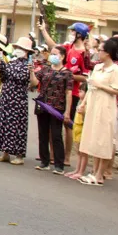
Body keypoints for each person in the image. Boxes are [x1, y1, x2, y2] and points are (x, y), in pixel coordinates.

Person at [70, 37, 118, 185]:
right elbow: (90, 87)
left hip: (106, 107)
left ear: (108, 53)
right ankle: (93, 172)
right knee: (92, 138)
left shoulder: (116, 70)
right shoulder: (98, 68)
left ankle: (100, 174)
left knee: (103, 140)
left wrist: (100, 85)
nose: (98, 53)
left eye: (101, 50)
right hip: (93, 105)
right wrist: (84, 103)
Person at [40, 20, 93, 170]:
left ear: (79, 34)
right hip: (56, 90)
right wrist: (43, 30)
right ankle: (51, 155)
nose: (70, 34)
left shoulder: (84, 53)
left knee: (66, 124)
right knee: (51, 123)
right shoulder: (67, 48)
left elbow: (85, 76)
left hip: (73, 92)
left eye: (72, 31)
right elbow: (53, 46)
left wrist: (66, 74)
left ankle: (67, 157)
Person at [0, 37, 34, 165]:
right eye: (17, 48)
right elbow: (4, 78)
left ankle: (19, 155)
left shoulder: (28, 65)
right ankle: (5, 153)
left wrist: (6, 68)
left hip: (18, 99)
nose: (17, 50)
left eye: (20, 48)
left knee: (17, 126)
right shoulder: (12, 62)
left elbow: (20, 77)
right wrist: (1, 68)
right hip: (7, 96)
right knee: (4, 123)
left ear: (26, 51)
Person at [34, 45, 73, 173]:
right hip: (43, 104)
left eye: (55, 54)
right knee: (43, 134)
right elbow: (34, 82)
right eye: (51, 53)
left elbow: (68, 93)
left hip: (57, 107)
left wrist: (67, 111)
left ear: (62, 56)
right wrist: (31, 72)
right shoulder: (45, 69)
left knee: (56, 135)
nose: (52, 56)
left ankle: (59, 164)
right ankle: (44, 161)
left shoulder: (67, 73)